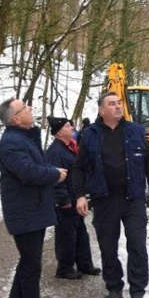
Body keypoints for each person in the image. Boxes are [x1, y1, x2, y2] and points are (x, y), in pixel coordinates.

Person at [73, 91, 149, 298]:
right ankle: (114, 287)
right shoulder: (89, 134)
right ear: (102, 110)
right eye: (112, 104)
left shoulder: (135, 130)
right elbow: (79, 168)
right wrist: (80, 195)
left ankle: (138, 292)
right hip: (104, 200)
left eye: (119, 103)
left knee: (138, 246)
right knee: (108, 247)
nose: (118, 107)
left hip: (133, 199)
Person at [0, 97, 67, 298]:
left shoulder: (24, 137)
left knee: (28, 263)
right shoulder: (11, 143)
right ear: (15, 118)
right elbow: (28, 172)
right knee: (30, 265)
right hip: (24, 212)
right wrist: (54, 173)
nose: (30, 108)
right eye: (25, 108)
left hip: (31, 210)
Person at [45, 116, 100, 280]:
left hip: (76, 197)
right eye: (69, 126)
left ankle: (84, 264)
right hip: (66, 201)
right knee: (66, 235)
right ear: (60, 131)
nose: (72, 128)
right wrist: (64, 201)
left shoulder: (71, 147)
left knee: (81, 232)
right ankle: (64, 268)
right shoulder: (55, 151)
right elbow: (55, 178)